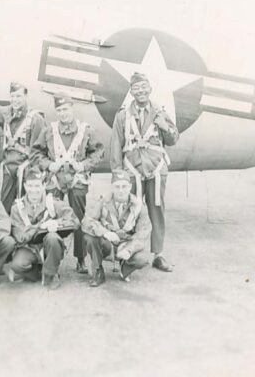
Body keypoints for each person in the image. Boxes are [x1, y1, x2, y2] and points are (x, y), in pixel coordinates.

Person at [110, 72, 179, 272]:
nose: (140, 91)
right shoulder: (123, 115)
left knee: (156, 210)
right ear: (131, 91)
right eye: (136, 88)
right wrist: (117, 173)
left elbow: (174, 139)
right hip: (132, 170)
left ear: (150, 89)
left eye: (143, 87)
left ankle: (158, 254)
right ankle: (128, 252)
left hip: (156, 168)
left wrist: (164, 126)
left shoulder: (160, 112)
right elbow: (116, 144)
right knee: (130, 212)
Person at [32, 93, 104, 274]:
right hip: (55, 181)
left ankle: (80, 258)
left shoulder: (85, 130)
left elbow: (98, 152)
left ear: (72, 108)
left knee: (80, 220)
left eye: (65, 109)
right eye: (59, 110)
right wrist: (49, 164)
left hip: (77, 181)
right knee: (51, 218)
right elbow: (36, 153)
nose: (62, 113)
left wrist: (83, 165)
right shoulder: (49, 130)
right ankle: (52, 258)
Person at [0, 81, 46, 213]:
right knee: (4, 206)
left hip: (26, 167)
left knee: (25, 206)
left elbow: (38, 150)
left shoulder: (35, 119)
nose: (15, 100)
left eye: (19, 96)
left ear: (26, 97)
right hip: (8, 167)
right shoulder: (6, 112)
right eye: (13, 96)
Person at [9, 167, 78, 290]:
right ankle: (41, 271)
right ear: (24, 186)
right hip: (29, 248)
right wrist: (40, 227)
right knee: (17, 265)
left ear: (43, 186)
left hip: (49, 248)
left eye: (37, 186)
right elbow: (21, 237)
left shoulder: (52, 203)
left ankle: (50, 274)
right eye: (30, 186)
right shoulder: (17, 208)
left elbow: (74, 221)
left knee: (52, 238)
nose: (33, 190)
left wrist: (56, 223)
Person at [82, 170, 151, 287]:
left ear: (130, 187)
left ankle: (125, 268)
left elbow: (142, 234)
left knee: (143, 258)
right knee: (90, 237)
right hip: (107, 243)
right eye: (117, 186)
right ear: (112, 187)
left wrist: (129, 249)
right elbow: (87, 221)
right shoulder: (102, 201)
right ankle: (98, 271)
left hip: (126, 243)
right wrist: (105, 233)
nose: (121, 190)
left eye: (124, 186)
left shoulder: (139, 205)